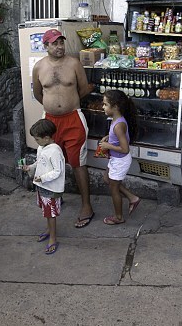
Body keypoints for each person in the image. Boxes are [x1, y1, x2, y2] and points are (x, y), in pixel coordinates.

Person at [32, 29, 95, 228]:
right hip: (50, 121)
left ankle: (87, 206)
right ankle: (55, 196)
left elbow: (84, 89)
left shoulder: (74, 63)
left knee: (78, 163)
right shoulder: (39, 67)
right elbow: (38, 93)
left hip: (73, 119)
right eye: (54, 43)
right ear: (46, 46)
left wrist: (67, 103)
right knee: (50, 161)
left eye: (61, 42)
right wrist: (53, 106)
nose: (59, 47)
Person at [22, 119, 65, 255]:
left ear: (46, 137)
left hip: (50, 187)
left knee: (51, 213)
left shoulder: (55, 151)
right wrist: (30, 167)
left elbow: (58, 171)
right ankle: (49, 230)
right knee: (46, 211)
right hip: (41, 185)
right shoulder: (42, 148)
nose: (36, 142)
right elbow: (39, 162)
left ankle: (53, 238)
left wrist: (43, 178)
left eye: (37, 139)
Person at [98, 90, 141, 225]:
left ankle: (118, 217)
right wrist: (108, 139)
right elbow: (117, 139)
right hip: (116, 159)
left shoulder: (118, 125)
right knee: (107, 178)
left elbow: (125, 148)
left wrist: (108, 146)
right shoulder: (116, 119)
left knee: (114, 189)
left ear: (115, 106)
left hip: (120, 160)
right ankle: (132, 198)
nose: (103, 107)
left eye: (105, 104)